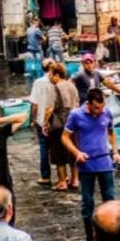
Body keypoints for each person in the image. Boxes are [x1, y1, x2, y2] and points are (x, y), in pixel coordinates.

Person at [61, 88, 120, 241]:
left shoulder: (106, 113)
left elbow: (111, 132)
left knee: (109, 199)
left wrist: (115, 152)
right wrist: (77, 153)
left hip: (105, 164)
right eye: (96, 108)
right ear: (88, 103)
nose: (99, 111)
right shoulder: (76, 115)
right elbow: (64, 137)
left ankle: (111, 235)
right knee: (87, 203)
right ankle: (90, 238)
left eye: (102, 108)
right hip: (86, 166)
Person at [43, 63, 80, 191]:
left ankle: (62, 181)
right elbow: (77, 103)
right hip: (73, 123)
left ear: (57, 75)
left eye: (50, 73)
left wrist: (45, 123)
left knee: (58, 153)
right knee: (72, 151)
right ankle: (75, 180)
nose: (49, 76)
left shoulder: (55, 87)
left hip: (59, 124)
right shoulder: (72, 86)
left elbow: (50, 108)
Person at [29, 58, 56, 186]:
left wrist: (33, 119)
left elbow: (34, 104)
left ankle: (46, 176)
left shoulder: (38, 82)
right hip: (57, 121)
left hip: (42, 120)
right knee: (59, 148)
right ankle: (64, 176)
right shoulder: (59, 81)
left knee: (44, 148)